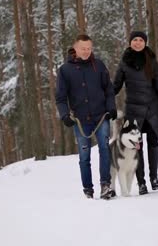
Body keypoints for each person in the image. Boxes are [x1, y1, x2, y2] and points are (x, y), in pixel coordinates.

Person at [55, 34, 117, 199]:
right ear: (75, 49)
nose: (86, 51)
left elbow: (109, 90)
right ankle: (88, 189)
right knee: (84, 156)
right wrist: (64, 115)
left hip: (101, 116)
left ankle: (105, 184)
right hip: (81, 120)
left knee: (104, 149)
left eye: (89, 48)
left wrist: (111, 108)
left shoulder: (99, 65)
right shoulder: (65, 70)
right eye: (83, 48)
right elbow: (60, 98)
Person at [113, 31, 158, 195]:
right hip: (133, 110)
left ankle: (154, 178)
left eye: (141, 40)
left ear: (145, 43)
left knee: (153, 143)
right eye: (135, 40)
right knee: (136, 146)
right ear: (130, 42)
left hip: (152, 108)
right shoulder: (125, 61)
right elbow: (116, 85)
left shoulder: (151, 60)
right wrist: (106, 99)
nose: (138, 43)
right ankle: (141, 183)